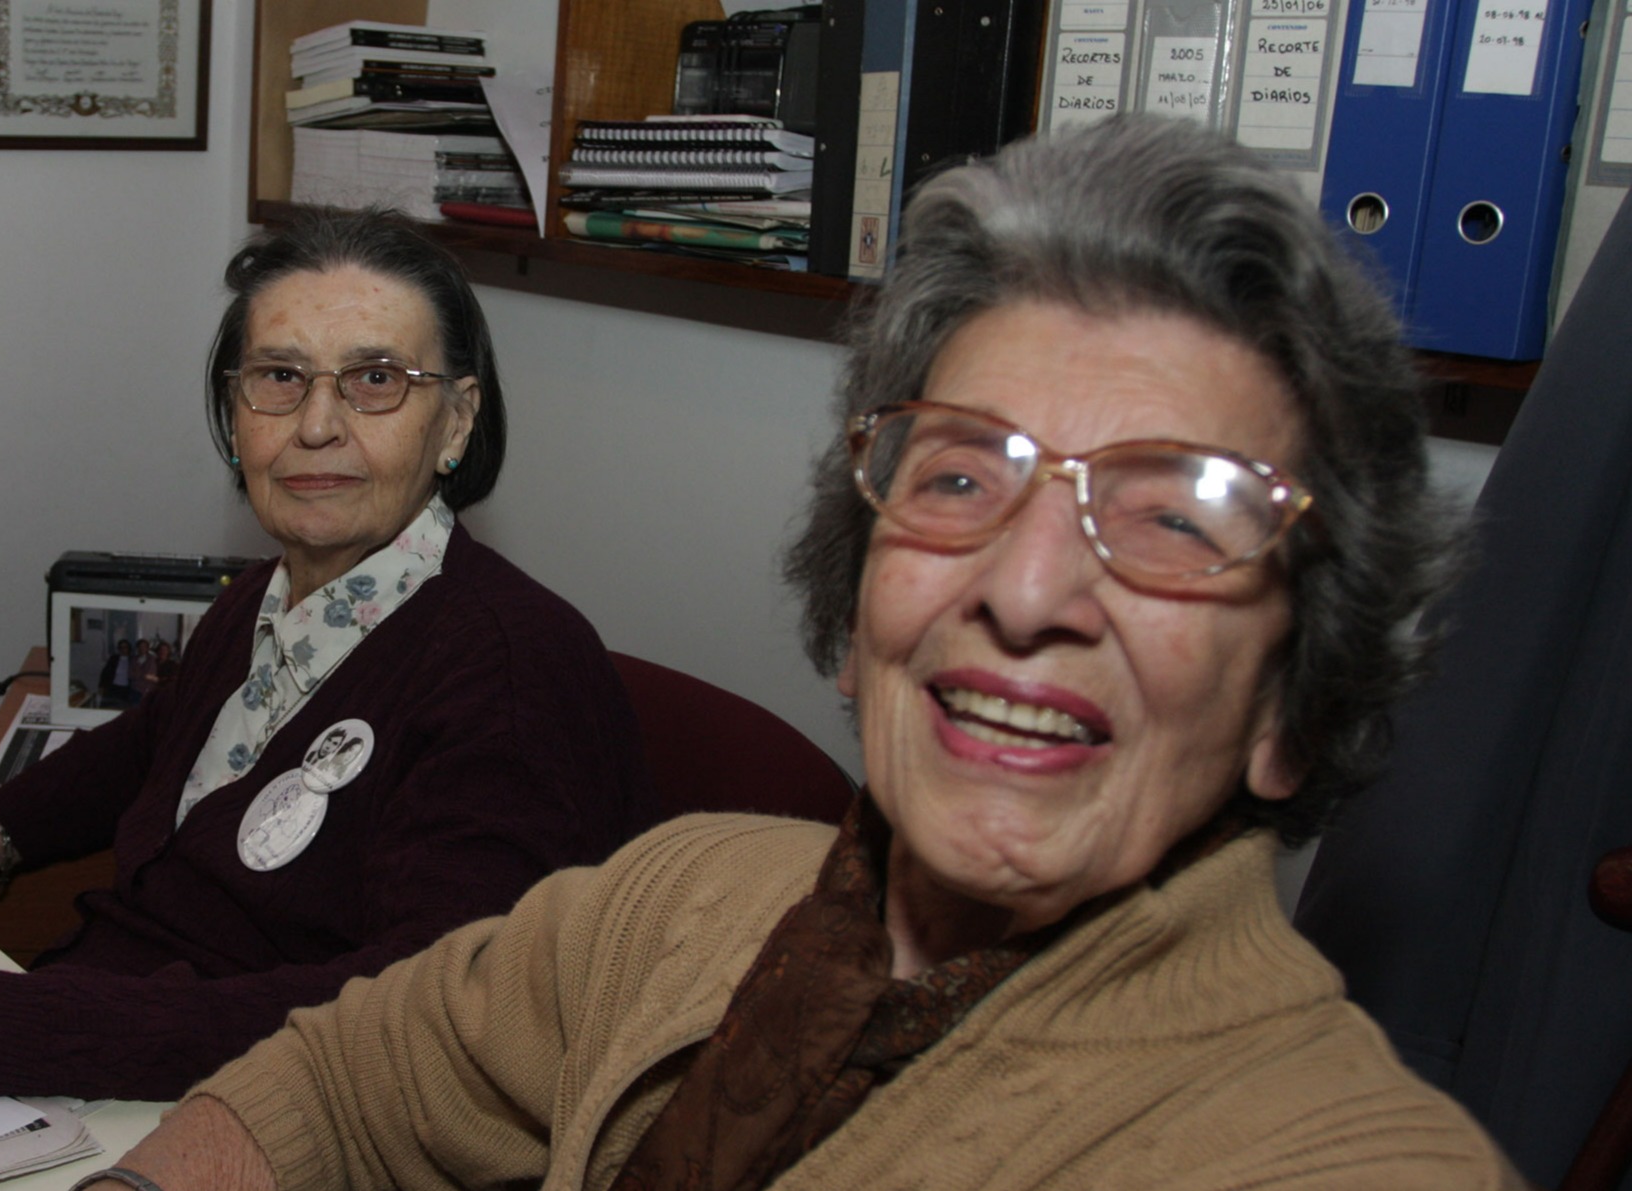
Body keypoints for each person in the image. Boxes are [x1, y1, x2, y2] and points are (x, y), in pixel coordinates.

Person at [83, 116, 1522, 1189]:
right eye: (961, 478)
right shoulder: (681, 893)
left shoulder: (1330, 1158)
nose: (1025, 586)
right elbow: (346, 1069)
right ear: (861, 609)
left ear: (1295, 697)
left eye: (1173, 514)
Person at [0, 208, 654, 1103]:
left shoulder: (511, 671)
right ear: (235, 411)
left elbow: (427, 1021)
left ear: (455, 423)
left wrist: (0, 1026)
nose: (316, 425)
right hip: (108, 1043)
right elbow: (152, 742)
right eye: (280, 376)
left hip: (260, 1114)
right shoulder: (265, 598)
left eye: (376, 378)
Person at [97, 639, 132, 709]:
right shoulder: (114, 658)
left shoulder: (132, 659)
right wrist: (101, 686)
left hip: (126, 689)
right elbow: (105, 672)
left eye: (125, 647)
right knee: (108, 708)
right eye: (121, 647)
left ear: (129, 648)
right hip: (113, 688)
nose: (123, 649)